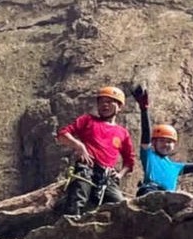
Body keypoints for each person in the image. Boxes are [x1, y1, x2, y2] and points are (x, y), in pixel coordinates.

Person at [56, 86, 137, 216]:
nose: (104, 105)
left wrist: (119, 175)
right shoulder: (88, 120)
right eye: (101, 102)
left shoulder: (123, 133)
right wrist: (80, 146)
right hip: (86, 168)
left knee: (120, 206)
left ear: (119, 106)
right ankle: (69, 230)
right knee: (76, 202)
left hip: (106, 177)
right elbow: (62, 135)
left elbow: (129, 161)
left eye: (110, 101)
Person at [131, 85, 193, 196]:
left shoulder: (176, 167)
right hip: (151, 191)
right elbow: (146, 134)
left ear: (174, 145)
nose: (166, 144)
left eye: (169, 142)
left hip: (169, 197)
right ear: (154, 143)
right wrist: (144, 110)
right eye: (162, 141)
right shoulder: (149, 156)